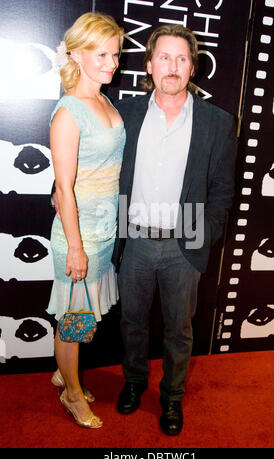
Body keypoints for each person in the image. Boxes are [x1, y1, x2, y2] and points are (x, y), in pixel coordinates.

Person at [112, 24, 237, 436]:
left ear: (192, 67)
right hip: (135, 240)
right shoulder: (124, 113)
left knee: (179, 331)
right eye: (164, 57)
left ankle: (171, 398)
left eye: (182, 58)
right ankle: (133, 383)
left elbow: (222, 188)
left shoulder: (217, 122)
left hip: (186, 243)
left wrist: (204, 235)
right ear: (149, 65)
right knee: (131, 322)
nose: (173, 66)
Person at [47, 12, 125, 429]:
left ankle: (64, 371)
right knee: (75, 322)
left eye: (114, 53)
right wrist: (75, 247)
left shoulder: (104, 100)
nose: (112, 63)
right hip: (79, 238)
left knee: (83, 318)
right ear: (76, 53)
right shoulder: (69, 113)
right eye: (101, 54)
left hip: (104, 232)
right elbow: (63, 189)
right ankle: (73, 394)